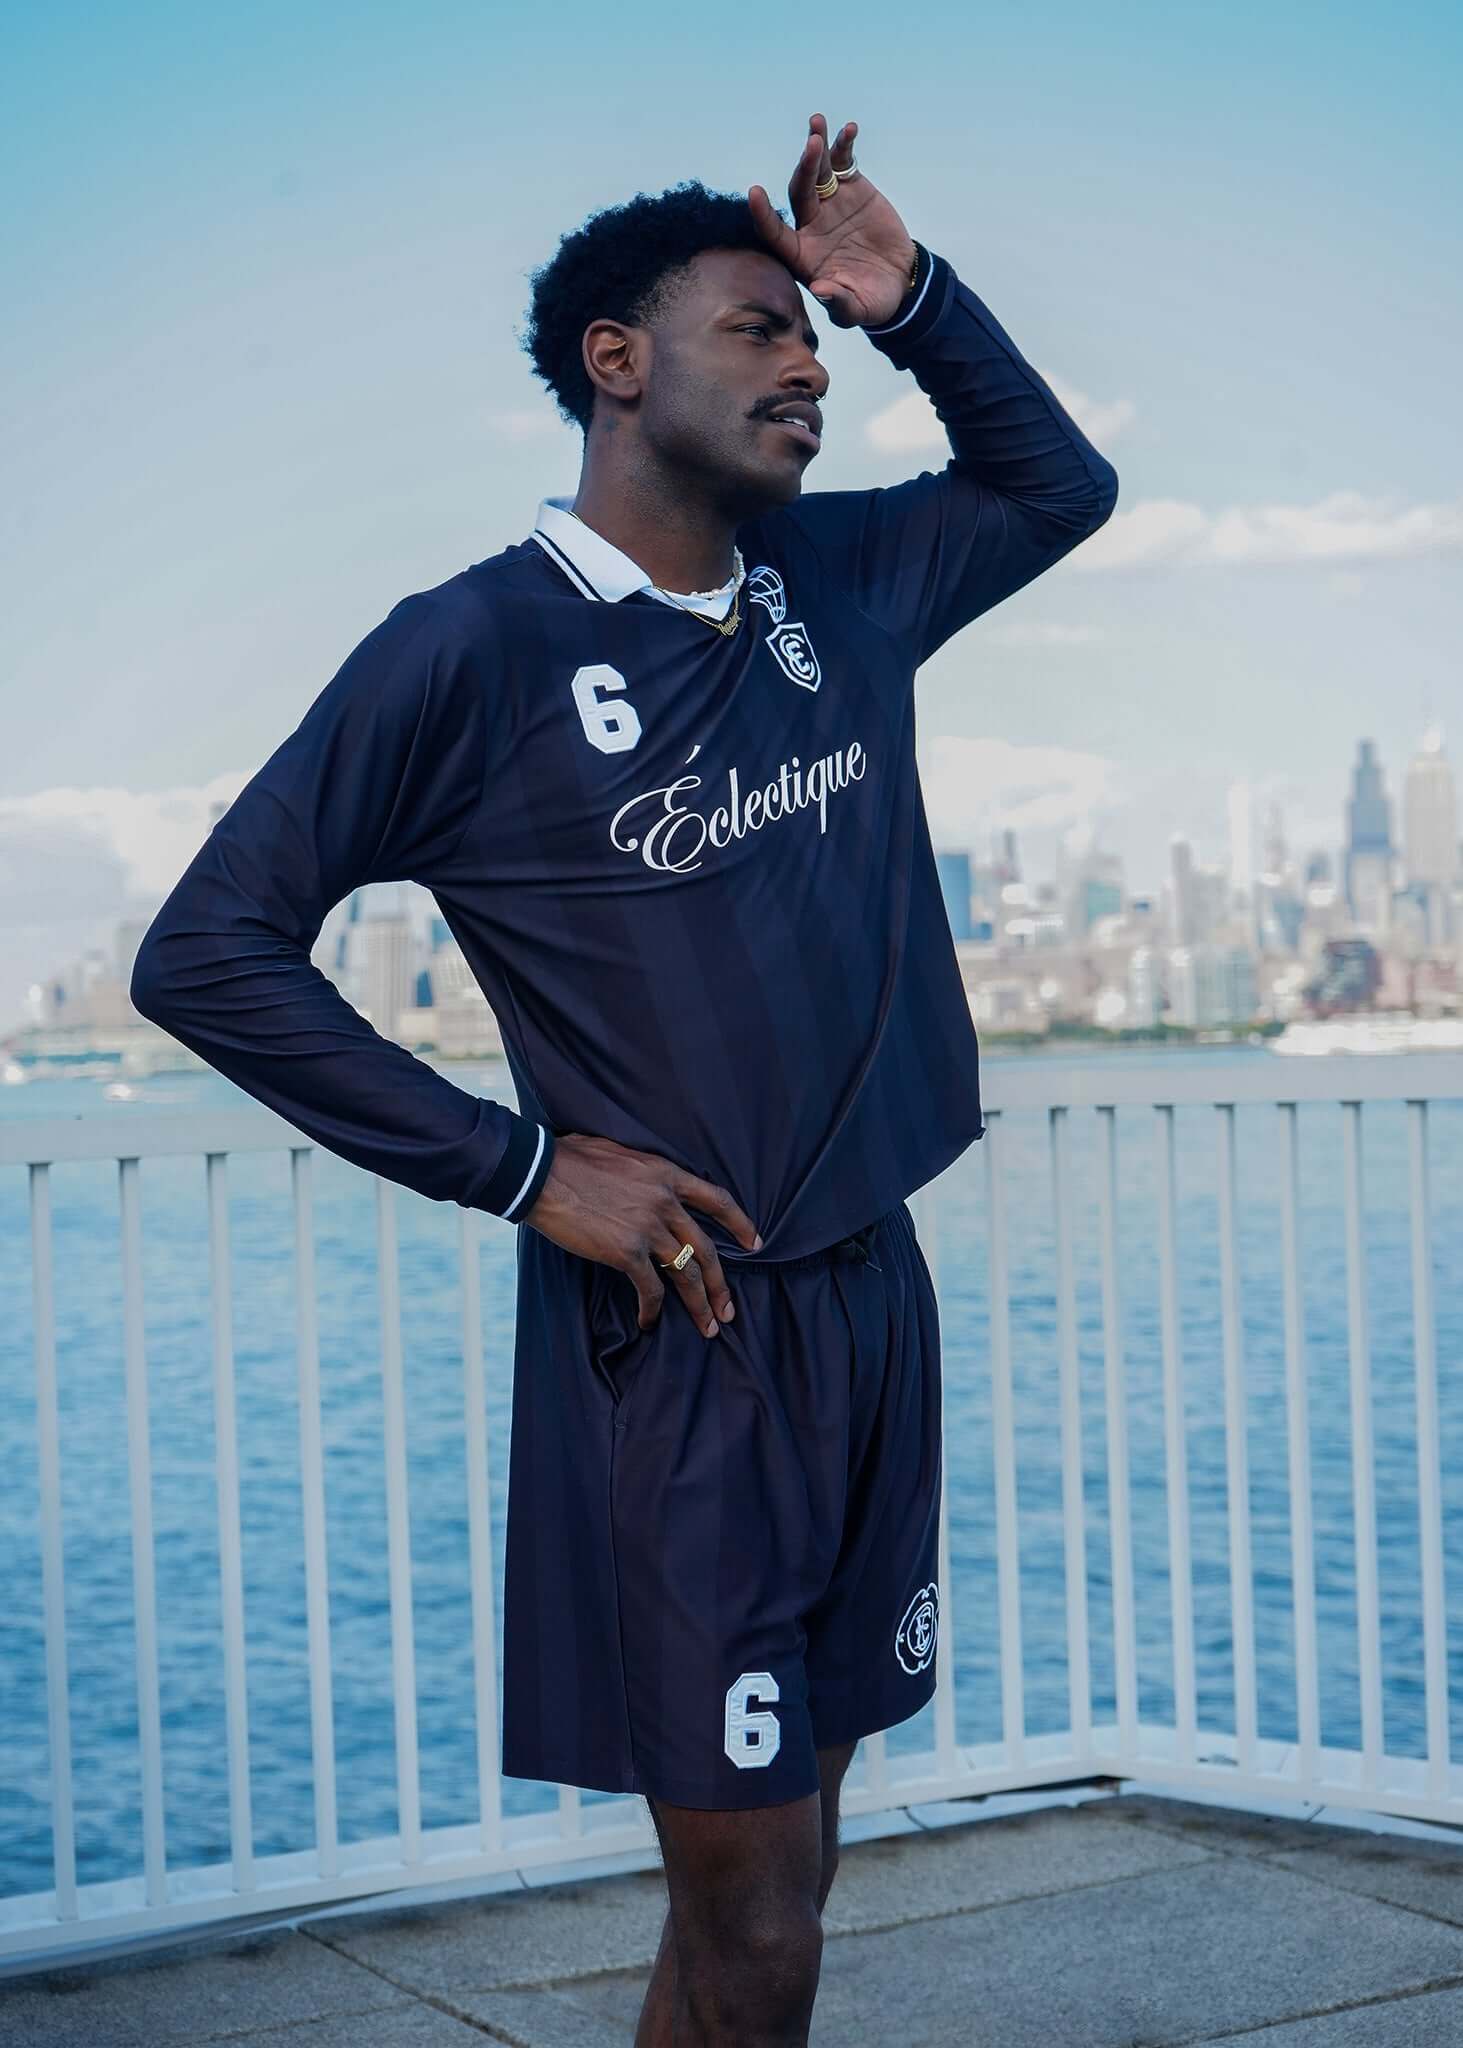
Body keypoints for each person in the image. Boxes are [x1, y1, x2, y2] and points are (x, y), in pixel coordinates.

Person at [131, 112, 1118, 2046]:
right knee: (752, 1923)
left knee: (791, 1885)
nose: (807, 366)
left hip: (871, 1300)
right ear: (615, 360)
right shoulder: (470, 648)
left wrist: (909, 296)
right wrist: (523, 1170)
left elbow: (1057, 484)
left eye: (814, 337)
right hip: (681, 1334)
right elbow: (207, 952)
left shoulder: (839, 577)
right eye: (760, 328)